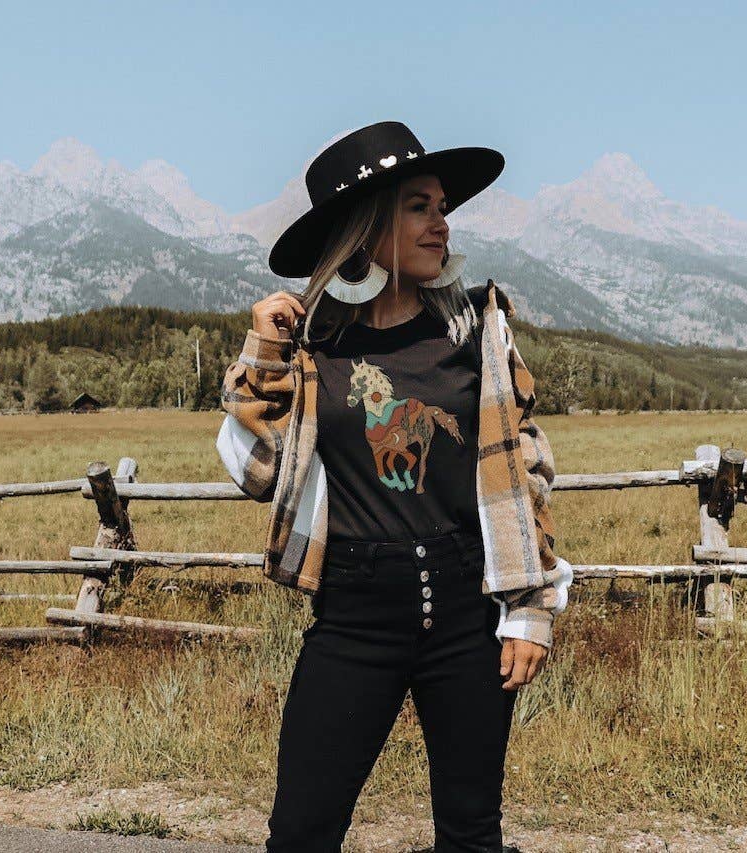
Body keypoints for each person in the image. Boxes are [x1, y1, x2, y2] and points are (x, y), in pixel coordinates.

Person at [217, 120, 574, 852]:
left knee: (472, 836)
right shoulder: (313, 348)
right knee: (301, 834)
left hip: (467, 611)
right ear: (367, 225)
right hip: (354, 616)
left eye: (442, 207)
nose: (442, 223)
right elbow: (258, 471)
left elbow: (525, 473)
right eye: (419, 206)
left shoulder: (473, 332)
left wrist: (530, 608)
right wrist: (264, 352)